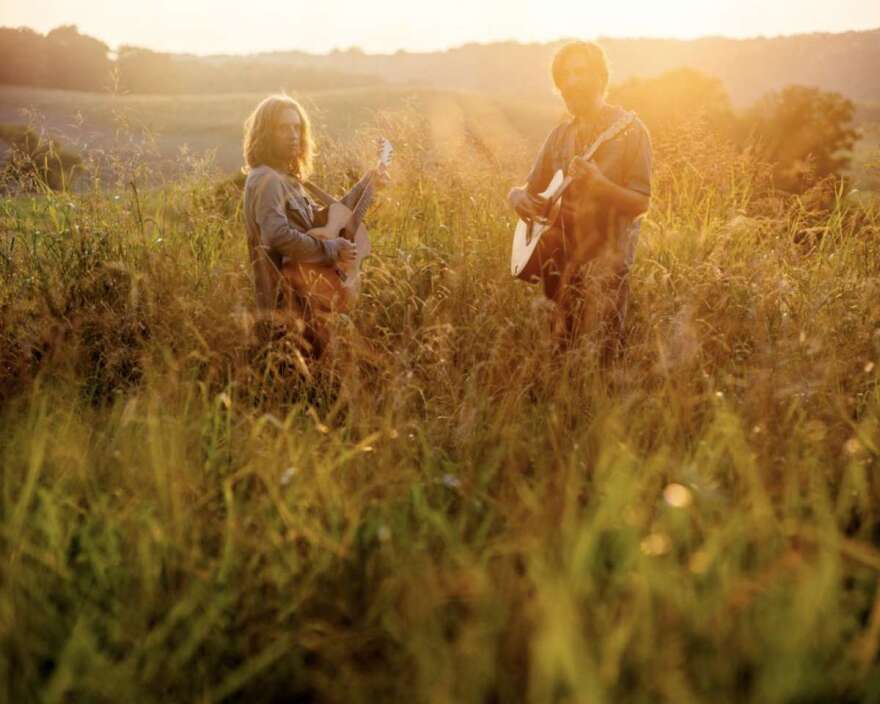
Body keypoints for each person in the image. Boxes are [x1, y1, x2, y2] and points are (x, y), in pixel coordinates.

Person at [507, 41, 652, 361]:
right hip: (557, 263)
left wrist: (600, 185)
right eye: (565, 76)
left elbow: (641, 202)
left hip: (607, 268)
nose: (572, 81)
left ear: (601, 77)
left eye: (581, 72)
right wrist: (515, 196)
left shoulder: (629, 131)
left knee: (603, 360)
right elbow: (530, 189)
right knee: (559, 358)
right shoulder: (559, 135)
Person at [241, 93, 388, 359]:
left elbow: (329, 220)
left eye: (297, 127)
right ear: (265, 133)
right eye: (283, 128)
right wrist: (331, 249)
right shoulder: (267, 179)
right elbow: (277, 236)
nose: (293, 135)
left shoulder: (289, 179)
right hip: (287, 307)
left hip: (308, 302)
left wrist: (369, 182)